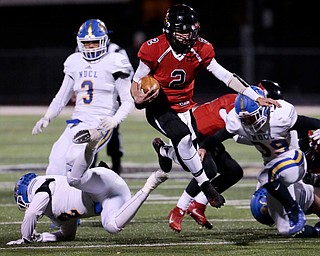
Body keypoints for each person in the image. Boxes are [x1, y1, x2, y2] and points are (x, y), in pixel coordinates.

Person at [130, 4, 279, 211]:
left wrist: (254, 96)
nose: (186, 35)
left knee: (207, 166)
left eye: (190, 30)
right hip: (160, 107)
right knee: (182, 137)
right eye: (181, 30)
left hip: (185, 109)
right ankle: (206, 187)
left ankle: (166, 152)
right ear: (169, 29)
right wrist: (138, 98)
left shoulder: (201, 48)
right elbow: (136, 81)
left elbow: (226, 76)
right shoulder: (154, 48)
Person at [6, 128, 168, 245]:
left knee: (73, 179)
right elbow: (67, 235)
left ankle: (92, 143)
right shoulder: (57, 211)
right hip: (113, 194)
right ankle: (151, 183)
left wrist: (26, 238)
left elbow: (32, 213)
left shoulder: (40, 187)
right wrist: (41, 237)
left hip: (99, 182)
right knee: (112, 226)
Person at [198, 85, 318, 235]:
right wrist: (204, 147)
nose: (248, 122)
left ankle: (293, 209)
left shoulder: (279, 117)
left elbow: (306, 123)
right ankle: (316, 231)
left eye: (251, 117)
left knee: (265, 176)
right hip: (274, 169)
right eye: (244, 119)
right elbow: (220, 136)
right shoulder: (238, 122)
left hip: (293, 160)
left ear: (263, 109)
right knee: (286, 230)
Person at [31, 19, 134, 176]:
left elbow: (128, 100)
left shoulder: (115, 60)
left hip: (99, 123)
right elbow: (61, 97)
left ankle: (94, 194)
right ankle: (59, 198)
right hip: (76, 122)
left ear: (105, 41)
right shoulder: (74, 61)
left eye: (94, 42)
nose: (91, 46)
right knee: (56, 160)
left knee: (75, 157)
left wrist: (115, 120)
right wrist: (47, 117)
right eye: (87, 43)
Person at [153, 94, 243, 232]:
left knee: (234, 171)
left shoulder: (241, 102)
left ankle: (198, 205)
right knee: (207, 169)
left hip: (209, 137)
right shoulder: (235, 110)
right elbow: (236, 134)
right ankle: (178, 210)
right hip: (192, 134)